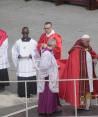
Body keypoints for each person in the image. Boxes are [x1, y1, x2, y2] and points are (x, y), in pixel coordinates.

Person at [60, 34, 98, 110]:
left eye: (89, 41)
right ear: (82, 40)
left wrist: (95, 59)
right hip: (79, 75)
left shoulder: (88, 48)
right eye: (87, 41)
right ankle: (81, 105)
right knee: (81, 91)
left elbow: (94, 55)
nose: (88, 42)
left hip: (89, 74)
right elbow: (73, 63)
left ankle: (87, 106)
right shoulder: (76, 49)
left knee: (88, 89)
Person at [12, 27, 38, 98]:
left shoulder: (33, 42)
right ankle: (22, 93)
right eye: (24, 33)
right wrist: (18, 56)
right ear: (21, 33)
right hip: (21, 64)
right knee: (22, 78)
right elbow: (14, 52)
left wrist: (32, 55)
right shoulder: (18, 42)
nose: (25, 34)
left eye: (26, 33)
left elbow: (37, 53)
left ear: (28, 33)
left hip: (30, 64)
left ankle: (30, 92)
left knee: (30, 77)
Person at [37, 39, 61, 115]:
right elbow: (44, 66)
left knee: (49, 95)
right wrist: (48, 74)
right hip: (48, 78)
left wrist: (55, 66)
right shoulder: (47, 53)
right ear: (53, 45)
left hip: (49, 77)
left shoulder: (48, 52)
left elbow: (48, 64)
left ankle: (47, 109)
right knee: (49, 95)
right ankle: (48, 110)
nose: (55, 47)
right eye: (55, 45)